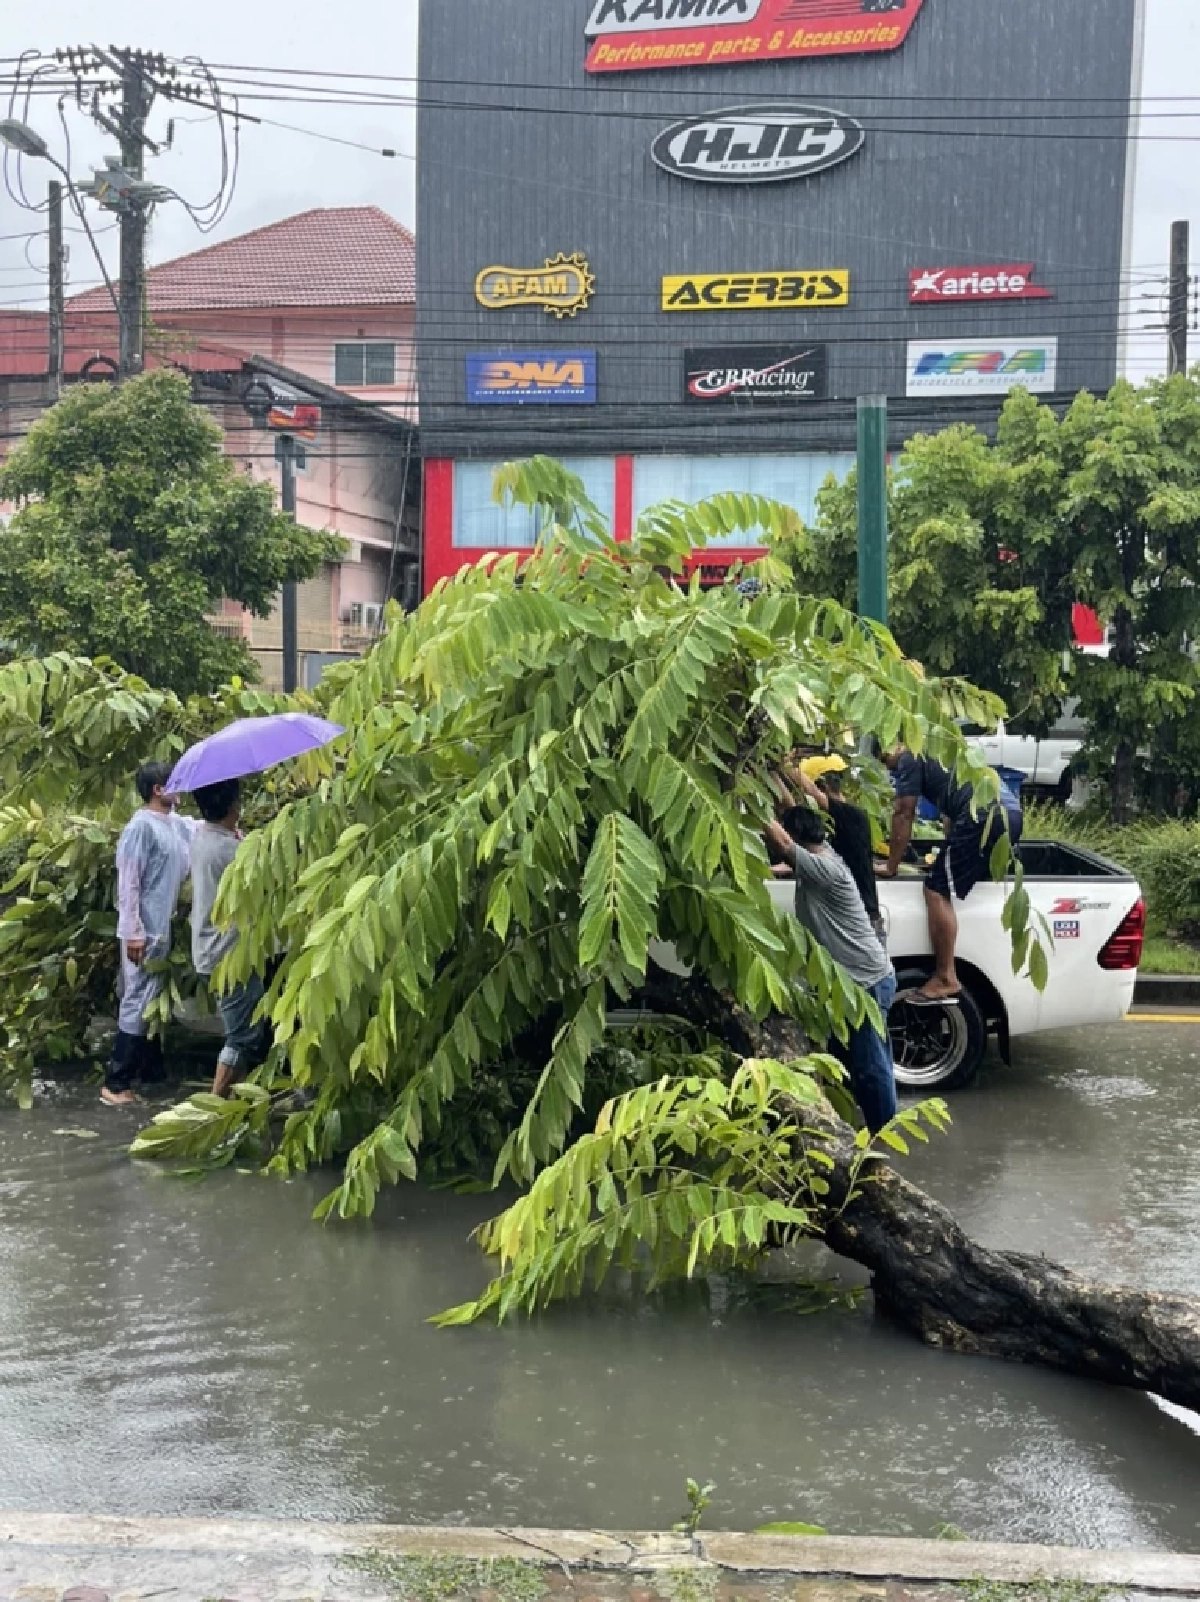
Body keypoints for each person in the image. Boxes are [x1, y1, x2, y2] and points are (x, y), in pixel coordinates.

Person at [765, 805, 897, 1135]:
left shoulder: (824, 869)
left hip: (865, 981)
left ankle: (884, 1138)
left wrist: (747, 801)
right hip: (849, 982)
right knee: (845, 1062)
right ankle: (860, 1130)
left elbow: (781, 844)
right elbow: (786, 845)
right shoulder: (825, 855)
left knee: (870, 1067)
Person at [877, 745, 1023, 1006]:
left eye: (888, 763)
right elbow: (950, 819)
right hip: (1009, 813)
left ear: (894, 745)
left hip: (981, 816)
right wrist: (946, 857)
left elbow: (903, 812)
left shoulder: (910, 756)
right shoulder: (946, 749)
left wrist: (891, 866)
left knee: (935, 888)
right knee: (958, 876)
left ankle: (945, 975)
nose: (893, 770)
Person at [103, 761, 196, 1107]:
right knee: (138, 996)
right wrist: (134, 932)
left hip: (161, 927)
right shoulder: (140, 828)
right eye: (174, 784)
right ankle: (116, 1082)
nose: (180, 789)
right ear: (158, 789)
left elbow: (199, 829)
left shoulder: (173, 824)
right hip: (144, 928)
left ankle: (150, 1071)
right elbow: (128, 883)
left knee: (151, 996)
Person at [190, 777, 268, 1097]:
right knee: (241, 1036)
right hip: (229, 954)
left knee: (246, 1029)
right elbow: (263, 879)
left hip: (212, 949)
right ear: (233, 805)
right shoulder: (229, 850)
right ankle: (213, 1107)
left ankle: (235, 1103)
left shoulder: (204, 836)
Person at [786, 755, 883, 943]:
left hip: (859, 924)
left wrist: (782, 764)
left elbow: (811, 791)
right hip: (845, 921)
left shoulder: (852, 816)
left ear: (823, 787)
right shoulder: (827, 822)